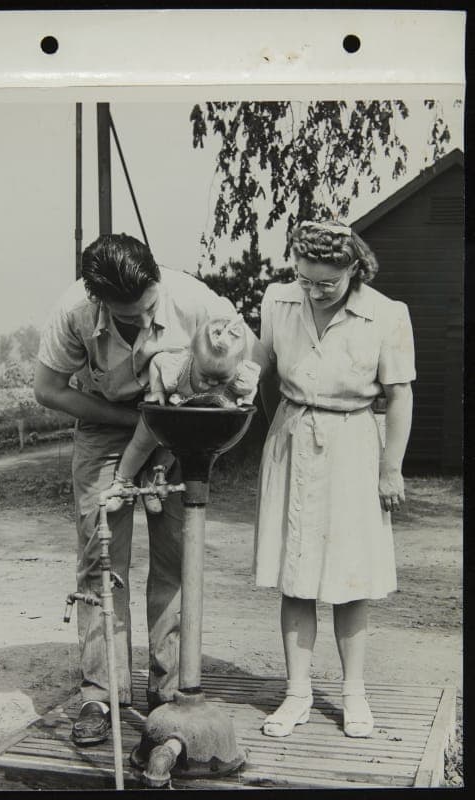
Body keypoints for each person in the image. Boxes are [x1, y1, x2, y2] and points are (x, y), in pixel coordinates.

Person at [34, 233, 267, 746]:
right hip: (106, 424)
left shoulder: (195, 298)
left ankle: (169, 690)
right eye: (126, 318)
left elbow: (248, 356)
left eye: (147, 311)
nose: (142, 326)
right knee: (101, 560)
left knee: (175, 559)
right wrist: (132, 419)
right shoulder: (72, 311)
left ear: (157, 280)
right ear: (98, 301)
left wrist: (184, 418)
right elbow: (47, 389)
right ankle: (101, 692)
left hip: (178, 427)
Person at [254, 220, 415, 739]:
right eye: (305, 279)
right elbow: (256, 370)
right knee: (295, 575)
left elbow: (401, 396)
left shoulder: (386, 315)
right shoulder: (278, 303)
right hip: (293, 437)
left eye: (327, 282)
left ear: (354, 268)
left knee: (350, 578)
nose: (315, 291)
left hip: (354, 445)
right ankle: (297, 694)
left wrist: (391, 466)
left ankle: (353, 694)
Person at [103, 315, 261, 514]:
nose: (211, 384)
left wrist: (245, 403)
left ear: (236, 367)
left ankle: (152, 484)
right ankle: (122, 482)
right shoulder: (177, 368)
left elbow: (251, 388)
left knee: (174, 450)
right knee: (141, 444)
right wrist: (157, 390)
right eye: (205, 376)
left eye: (221, 379)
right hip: (170, 406)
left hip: (193, 416)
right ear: (192, 357)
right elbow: (155, 363)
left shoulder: (241, 376)